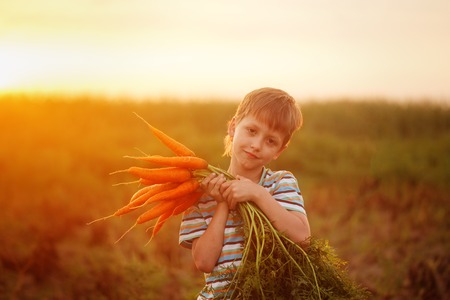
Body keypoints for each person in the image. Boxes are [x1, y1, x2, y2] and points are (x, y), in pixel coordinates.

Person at [178, 87, 311, 299]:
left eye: (271, 141)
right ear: (233, 127)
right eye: (252, 131)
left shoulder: (280, 183)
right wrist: (221, 203)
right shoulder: (202, 194)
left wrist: (258, 194)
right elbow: (204, 262)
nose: (256, 145)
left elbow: (303, 238)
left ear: (279, 151)